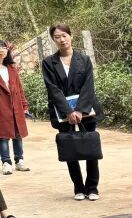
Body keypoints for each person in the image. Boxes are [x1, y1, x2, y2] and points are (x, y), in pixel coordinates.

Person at [42, 24, 102, 200]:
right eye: (57, 37)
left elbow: (88, 86)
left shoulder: (83, 59)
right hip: (62, 112)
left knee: (90, 146)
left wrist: (80, 110)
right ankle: (78, 188)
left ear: (71, 36)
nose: (62, 40)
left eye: (64, 35)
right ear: (53, 40)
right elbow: (53, 89)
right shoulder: (49, 63)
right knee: (70, 148)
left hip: (86, 109)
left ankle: (92, 188)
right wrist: (68, 111)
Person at [0, 41, 30, 175]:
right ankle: (6, 162)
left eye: (4, 47)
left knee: (18, 135)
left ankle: (19, 160)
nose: (2, 50)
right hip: (2, 107)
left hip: (15, 105)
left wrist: (24, 105)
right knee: (3, 135)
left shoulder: (11, 68)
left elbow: (20, 89)